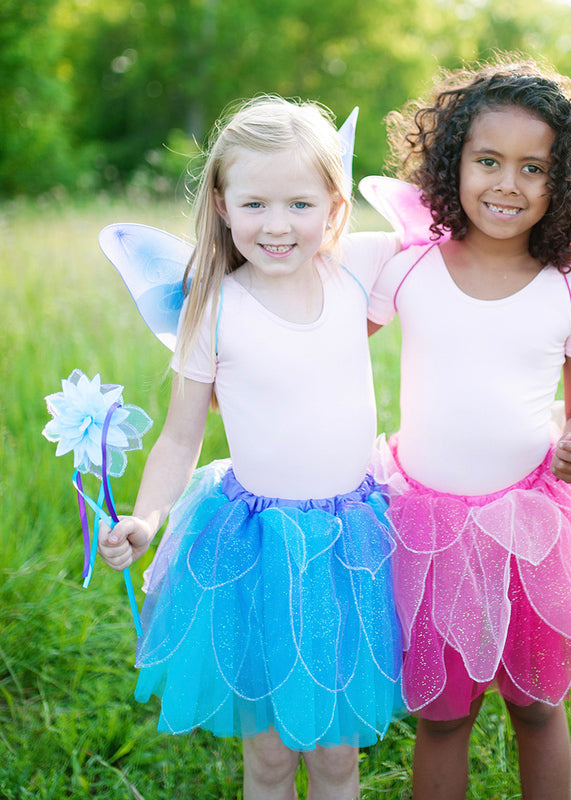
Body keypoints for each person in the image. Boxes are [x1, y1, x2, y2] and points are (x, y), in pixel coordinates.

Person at [98, 95, 404, 800]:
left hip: (349, 541)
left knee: (335, 759)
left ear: (333, 205)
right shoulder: (213, 308)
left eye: (300, 204)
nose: (276, 225)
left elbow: (451, 247)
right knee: (267, 760)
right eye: (256, 204)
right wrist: (146, 519)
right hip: (256, 547)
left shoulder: (359, 266)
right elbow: (181, 435)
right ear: (222, 203)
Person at [366, 57, 571, 799]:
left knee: (536, 704)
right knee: (442, 716)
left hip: (531, 525)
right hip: (424, 522)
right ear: (450, 161)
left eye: (534, 168)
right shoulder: (408, 270)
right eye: (488, 160)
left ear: (561, 185)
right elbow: (332, 355)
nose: (507, 184)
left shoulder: (570, 292)